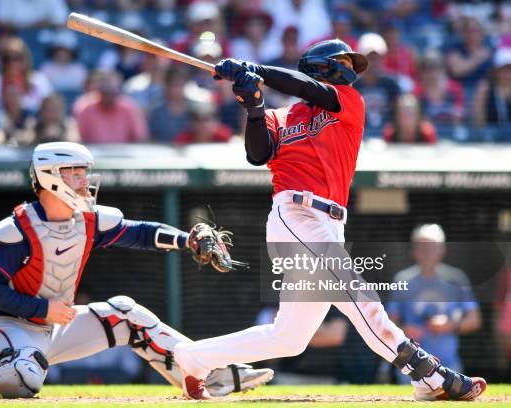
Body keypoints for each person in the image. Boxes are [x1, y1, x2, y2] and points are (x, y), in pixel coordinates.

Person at [173, 39, 487, 401]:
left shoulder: (347, 102)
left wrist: (256, 70)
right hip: (295, 214)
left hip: (329, 223)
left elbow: (305, 87)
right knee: (359, 296)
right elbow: (257, 154)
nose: (351, 68)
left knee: (288, 337)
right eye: (343, 61)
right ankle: (427, 374)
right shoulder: (281, 115)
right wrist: (255, 106)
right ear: (319, 64)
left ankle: (193, 357)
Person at [0, 142, 273, 398]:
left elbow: (140, 233)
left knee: (126, 315)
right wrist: (41, 309)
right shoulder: (15, 229)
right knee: (23, 381)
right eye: (76, 174)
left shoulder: (87, 220)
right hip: (1, 326)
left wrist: (186, 240)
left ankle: (209, 374)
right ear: (52, 177)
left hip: (52, 327)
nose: (85, 182)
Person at [387, 224, 482, 384]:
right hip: (410, 367)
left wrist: (450, 325)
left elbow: (474, 320)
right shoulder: (402, 280)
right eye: (422, 248)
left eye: (432, 248)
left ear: (441, 250)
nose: (427, 254)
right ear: (414, 251)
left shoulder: (456, 279)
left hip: (450, 367)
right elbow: (389, 322)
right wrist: (404, 332)